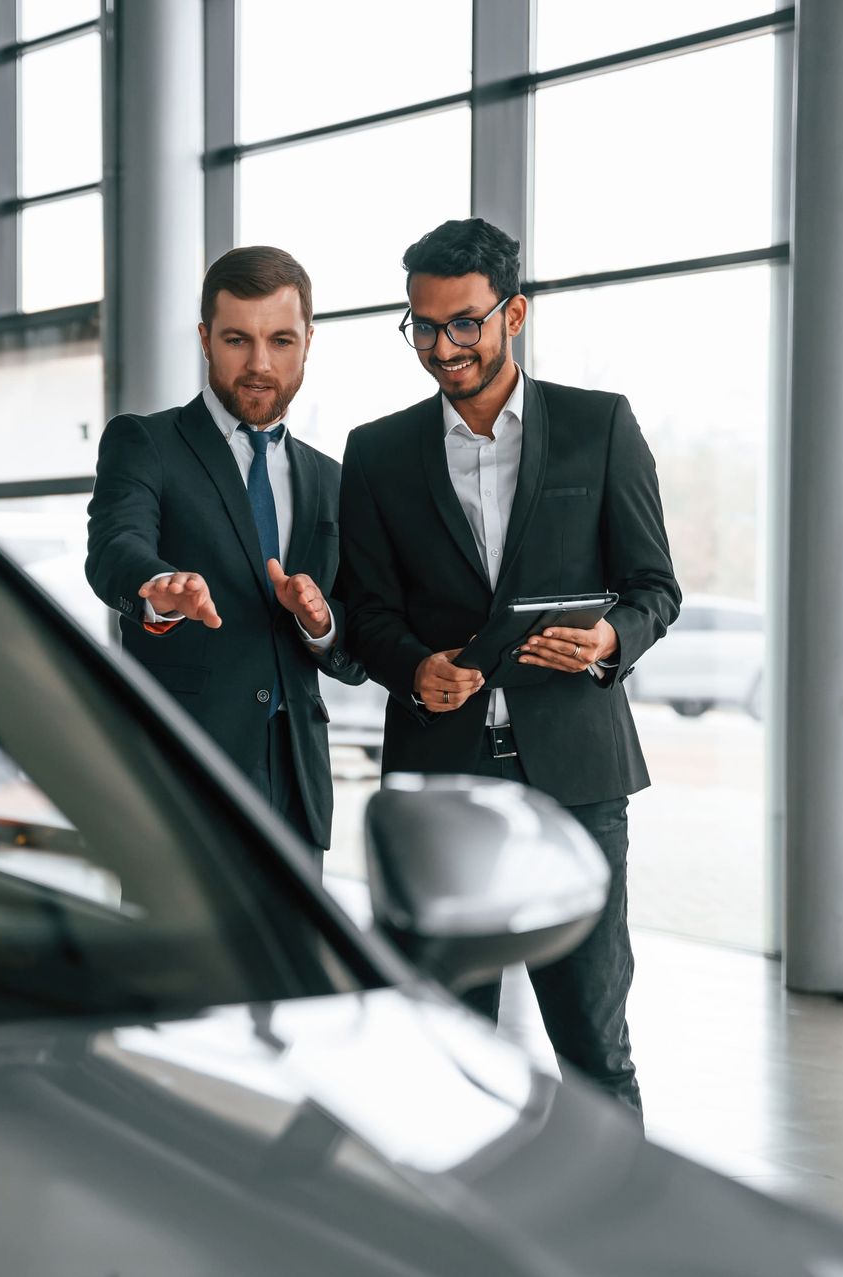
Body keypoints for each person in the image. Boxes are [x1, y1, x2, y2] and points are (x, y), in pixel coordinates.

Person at [336, 218, 680, 1113]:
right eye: (420, 325)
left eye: (462, 324)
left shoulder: (599, 427)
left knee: (595, 1045)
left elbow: (654, 587)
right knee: (443, 1047)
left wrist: (610, 643)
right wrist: (414, 668)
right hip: (441, 782)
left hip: (578, 776)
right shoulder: (375, 452)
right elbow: (366, 609)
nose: (440, 347)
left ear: (512, 313)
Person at [85, 246, 365, 861]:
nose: (260, 364)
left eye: (281, 341)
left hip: (296, 783)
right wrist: (157, 587)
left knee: (294, 961)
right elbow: (114, 546)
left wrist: (321, 624)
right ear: (206, 339)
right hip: (183, 778)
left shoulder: (331, 479)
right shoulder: (146, 442)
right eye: (238, 340)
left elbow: (355, 645)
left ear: (308, 342)